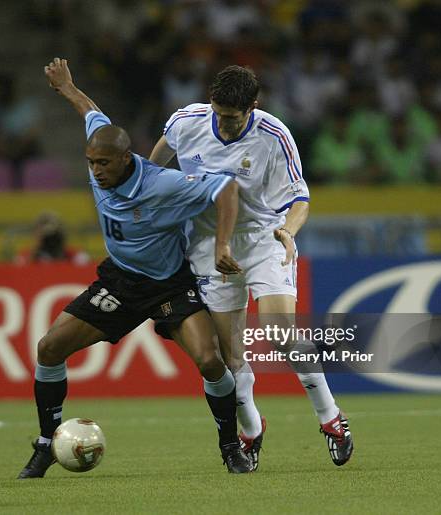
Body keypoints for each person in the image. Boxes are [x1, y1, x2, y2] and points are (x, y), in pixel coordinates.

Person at [18, 57, 252, 479]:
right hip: (122, 281)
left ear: (126, 158)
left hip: (169, 285)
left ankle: (231, 448)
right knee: (49, 348)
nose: (96, 172)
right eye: (91, 163)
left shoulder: (164, 184)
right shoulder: (101, 150)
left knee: (209, 360)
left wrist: (221, 243)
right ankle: (46, 443)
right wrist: (67, 86)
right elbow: (90, 112)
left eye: (103, 164)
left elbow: (227, 188)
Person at [150, 65, 354, 470]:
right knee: (231, 358)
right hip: (209, 247)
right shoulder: (186, 122)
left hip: (263, 240)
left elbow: (300, 199)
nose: (224, 124)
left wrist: (289, 233)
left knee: (280, 333)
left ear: (252, 107)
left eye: (233, 117)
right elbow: (154, 167)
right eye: (219, 113)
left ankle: (330, 418)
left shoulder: (273, 135)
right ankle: (250, 428)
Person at [15, 211, 91, 266]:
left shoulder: (77, 256)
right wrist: (34, 255)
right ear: (36, 234)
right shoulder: (23, 257)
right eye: (47, 237)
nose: (51, 241)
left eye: (54, 236)